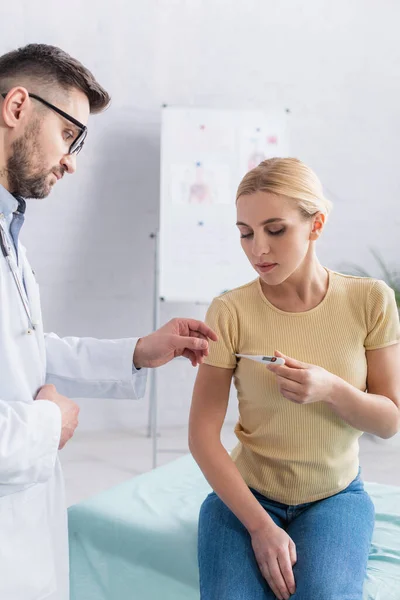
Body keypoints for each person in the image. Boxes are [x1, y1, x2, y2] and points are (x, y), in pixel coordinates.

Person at [0, 43, 217, 600]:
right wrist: (50, 422)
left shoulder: (10, 232)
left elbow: (20, 351)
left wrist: (136, 351)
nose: (71, 160)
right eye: (70, 135)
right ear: (17, 108)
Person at [189, 157, 400, 600]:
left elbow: (389, 420)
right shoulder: (230, 311)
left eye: (275, 230)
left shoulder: (370, 301)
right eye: (245, 233)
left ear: (315, 225)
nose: (257, 250)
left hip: (335, 497)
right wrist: (261, 528)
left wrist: (333, 390)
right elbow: (202, 436)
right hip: (247, 497)